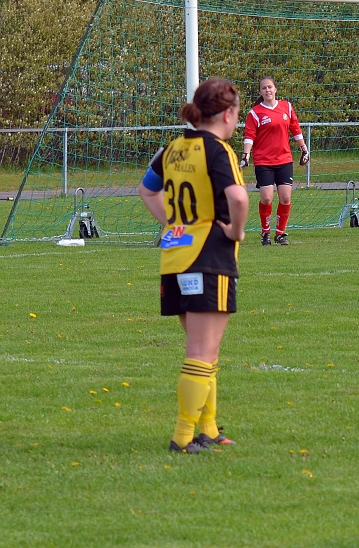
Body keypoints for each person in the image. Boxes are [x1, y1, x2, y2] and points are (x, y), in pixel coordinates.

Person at [138, 77, 249, 454]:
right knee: (202, 351)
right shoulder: (218, 150)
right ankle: (183, 437)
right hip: (209, 257)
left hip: (176, 257)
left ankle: (209, 428)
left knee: (205, 349)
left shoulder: (173, 148)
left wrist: (173, 224)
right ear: (228, 114)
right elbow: (238, 197)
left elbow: (146, 189)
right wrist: (236, 231)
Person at [240, 76, 310, 246]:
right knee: (266, 198)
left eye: (270, 87)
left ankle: (280, 234)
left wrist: (304, 149)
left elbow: (295, 129)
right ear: (260, 92)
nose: (267, 90)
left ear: (275, 89)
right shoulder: (255, 113)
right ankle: (265, 232)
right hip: (264, 161)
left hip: (284, 159)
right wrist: (246, 155)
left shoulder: (287, 107)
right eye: (264, 88)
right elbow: (249, 135)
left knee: (285, 197)